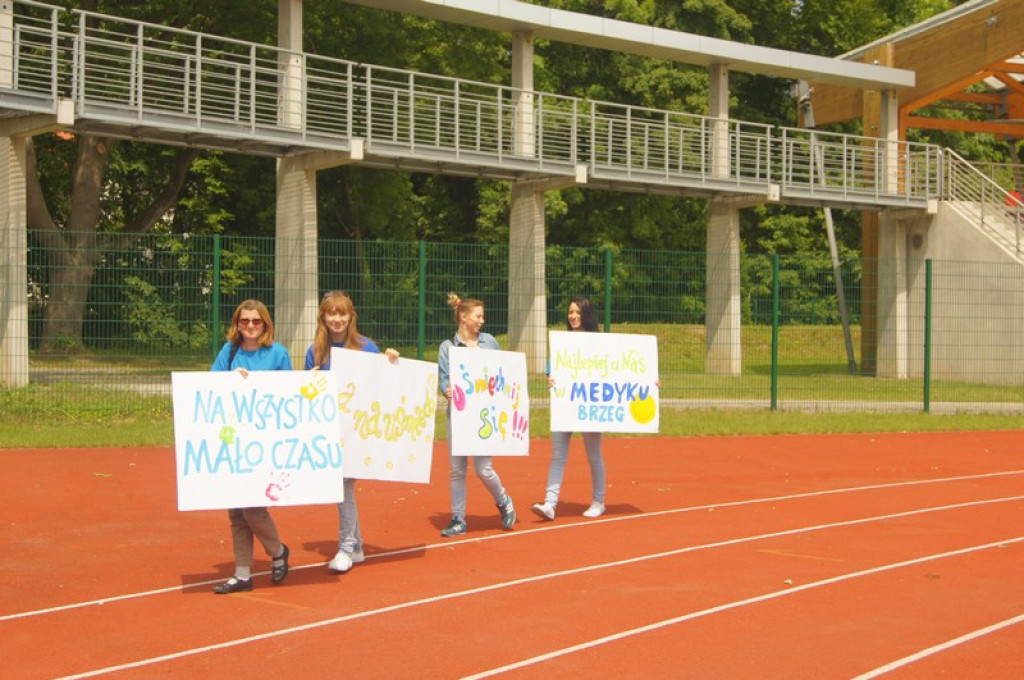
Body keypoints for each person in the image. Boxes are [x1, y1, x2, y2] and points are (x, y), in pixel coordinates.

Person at [305, 291, 398, 574]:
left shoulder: (365, 347)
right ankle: (356, 546)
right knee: (343, 488)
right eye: (331, 313)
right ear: (323, 316)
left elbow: (382, 382)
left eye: (342, 313)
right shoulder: (316, 350)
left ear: (350, 316)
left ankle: (346, 548)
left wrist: (390, 359)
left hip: (356, 432)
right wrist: (311, 381)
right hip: (329, 429)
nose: (337, 319)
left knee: (343, 486)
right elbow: (308, 393)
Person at [210, 299, 292, 594]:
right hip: (234, 441)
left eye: (256, 321)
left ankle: (278, 551)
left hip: (265, 442)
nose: (250, 326)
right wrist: (231, 381)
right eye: (244, 321)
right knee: (236, 513)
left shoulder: (278, 353)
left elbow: (289, 396)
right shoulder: (229, 351)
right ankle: (242, 573)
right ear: (237, 324)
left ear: (265, 324)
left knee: (254, 510)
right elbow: (209, 387)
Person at [436, 292, 516, 537]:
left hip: (485, 416)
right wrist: (446, 389)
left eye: (482, 316)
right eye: (478, 316)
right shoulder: (447, 348)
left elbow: (502, 372)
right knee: (457, 470)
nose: (482, 321)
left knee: (484, 469)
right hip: (459, 416)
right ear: (463, 316)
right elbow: (444, 380)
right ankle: (458, 518)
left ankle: (504, 500)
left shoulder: (490, 342)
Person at [533, 296, 607, 521]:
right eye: (570, 313)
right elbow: (551, 370)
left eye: (577, 312)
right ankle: (550, 503)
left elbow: (616, 373)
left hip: (589, 406)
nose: (573, 316)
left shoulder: (600, 342)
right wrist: (551, 379)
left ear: (586, 314)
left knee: (594, 455)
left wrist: (650, 382)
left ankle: (598, 501)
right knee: (557, 456)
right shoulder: (562, 342)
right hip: (565, 405)